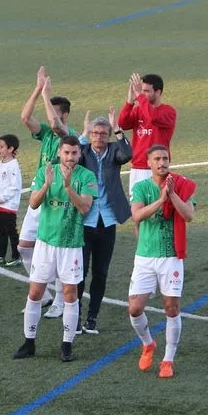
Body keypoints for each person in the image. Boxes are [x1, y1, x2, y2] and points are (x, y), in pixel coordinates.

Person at [12, 136, 98, 363]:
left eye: (75, 153)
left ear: (80, 155)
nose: (70, 157)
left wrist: (68, 186)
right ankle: (29, 342)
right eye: (67, 153)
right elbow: (33, 203)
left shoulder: (87, 177)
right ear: (60, 153)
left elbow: (84, 208)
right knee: (35, 292)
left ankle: (67, 345)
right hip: (46, 243)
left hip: (71, 245)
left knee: (70, 294)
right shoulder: (45, 172)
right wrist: (48, 184)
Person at [127, 145, 196, 379]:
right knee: (135, 308)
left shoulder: (182, 185)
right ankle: (148, 343)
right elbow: (136, 215)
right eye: (157, 158)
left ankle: (168, 360)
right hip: (145, 256)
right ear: (148, 163)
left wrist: (172, 194)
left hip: (170, 257)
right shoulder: (141, 187)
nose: (162, 162)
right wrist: (161, 200)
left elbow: (189, 215)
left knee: (171, 308)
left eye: (165, 158)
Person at [17, 66, 75, 315]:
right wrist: (37, 89)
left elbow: (53, 122)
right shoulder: (46, 135)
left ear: (66, 116)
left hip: (59, 199)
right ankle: (45, 294)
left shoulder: (68, 135)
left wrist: (45, 95)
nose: (51, 117)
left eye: (57, 113)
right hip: (39, 195)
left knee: (59, 250)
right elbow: (25, 118)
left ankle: (61, 302)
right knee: (24, 247)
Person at [76, 110, 132, 334]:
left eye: (103, 133)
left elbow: (128, 154)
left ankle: (92, 317)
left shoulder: (114, 152)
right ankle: (76, 314)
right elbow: (66, 155)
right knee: (80, 271)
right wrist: (82, 134)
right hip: (85, 220)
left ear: (108, 135)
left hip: (107, 220)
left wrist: (117, 129)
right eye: (95, 133)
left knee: (101, 272)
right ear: (90, 135)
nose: (99, 137)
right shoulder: (83, 151)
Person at [118, 72, 177, 199]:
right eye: (141, 90)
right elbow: (122, 123)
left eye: (146, 91)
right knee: (137, 208)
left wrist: (139, 96)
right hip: (137, 167)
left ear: (158, 92)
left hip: (157, 168)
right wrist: (129, 102)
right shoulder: (139, 110)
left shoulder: (168, 112)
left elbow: (152, 117)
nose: (142, 94)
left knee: (157, 208)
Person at [0, 134, 23, 267]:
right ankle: (0, 255)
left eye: (2, 147)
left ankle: (16, 256)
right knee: (1, 231)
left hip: (8, 205)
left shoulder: (13, 166)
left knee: (11, 231)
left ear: (10, 149)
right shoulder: (0, 164)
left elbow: (15, 187)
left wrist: (2, 198)